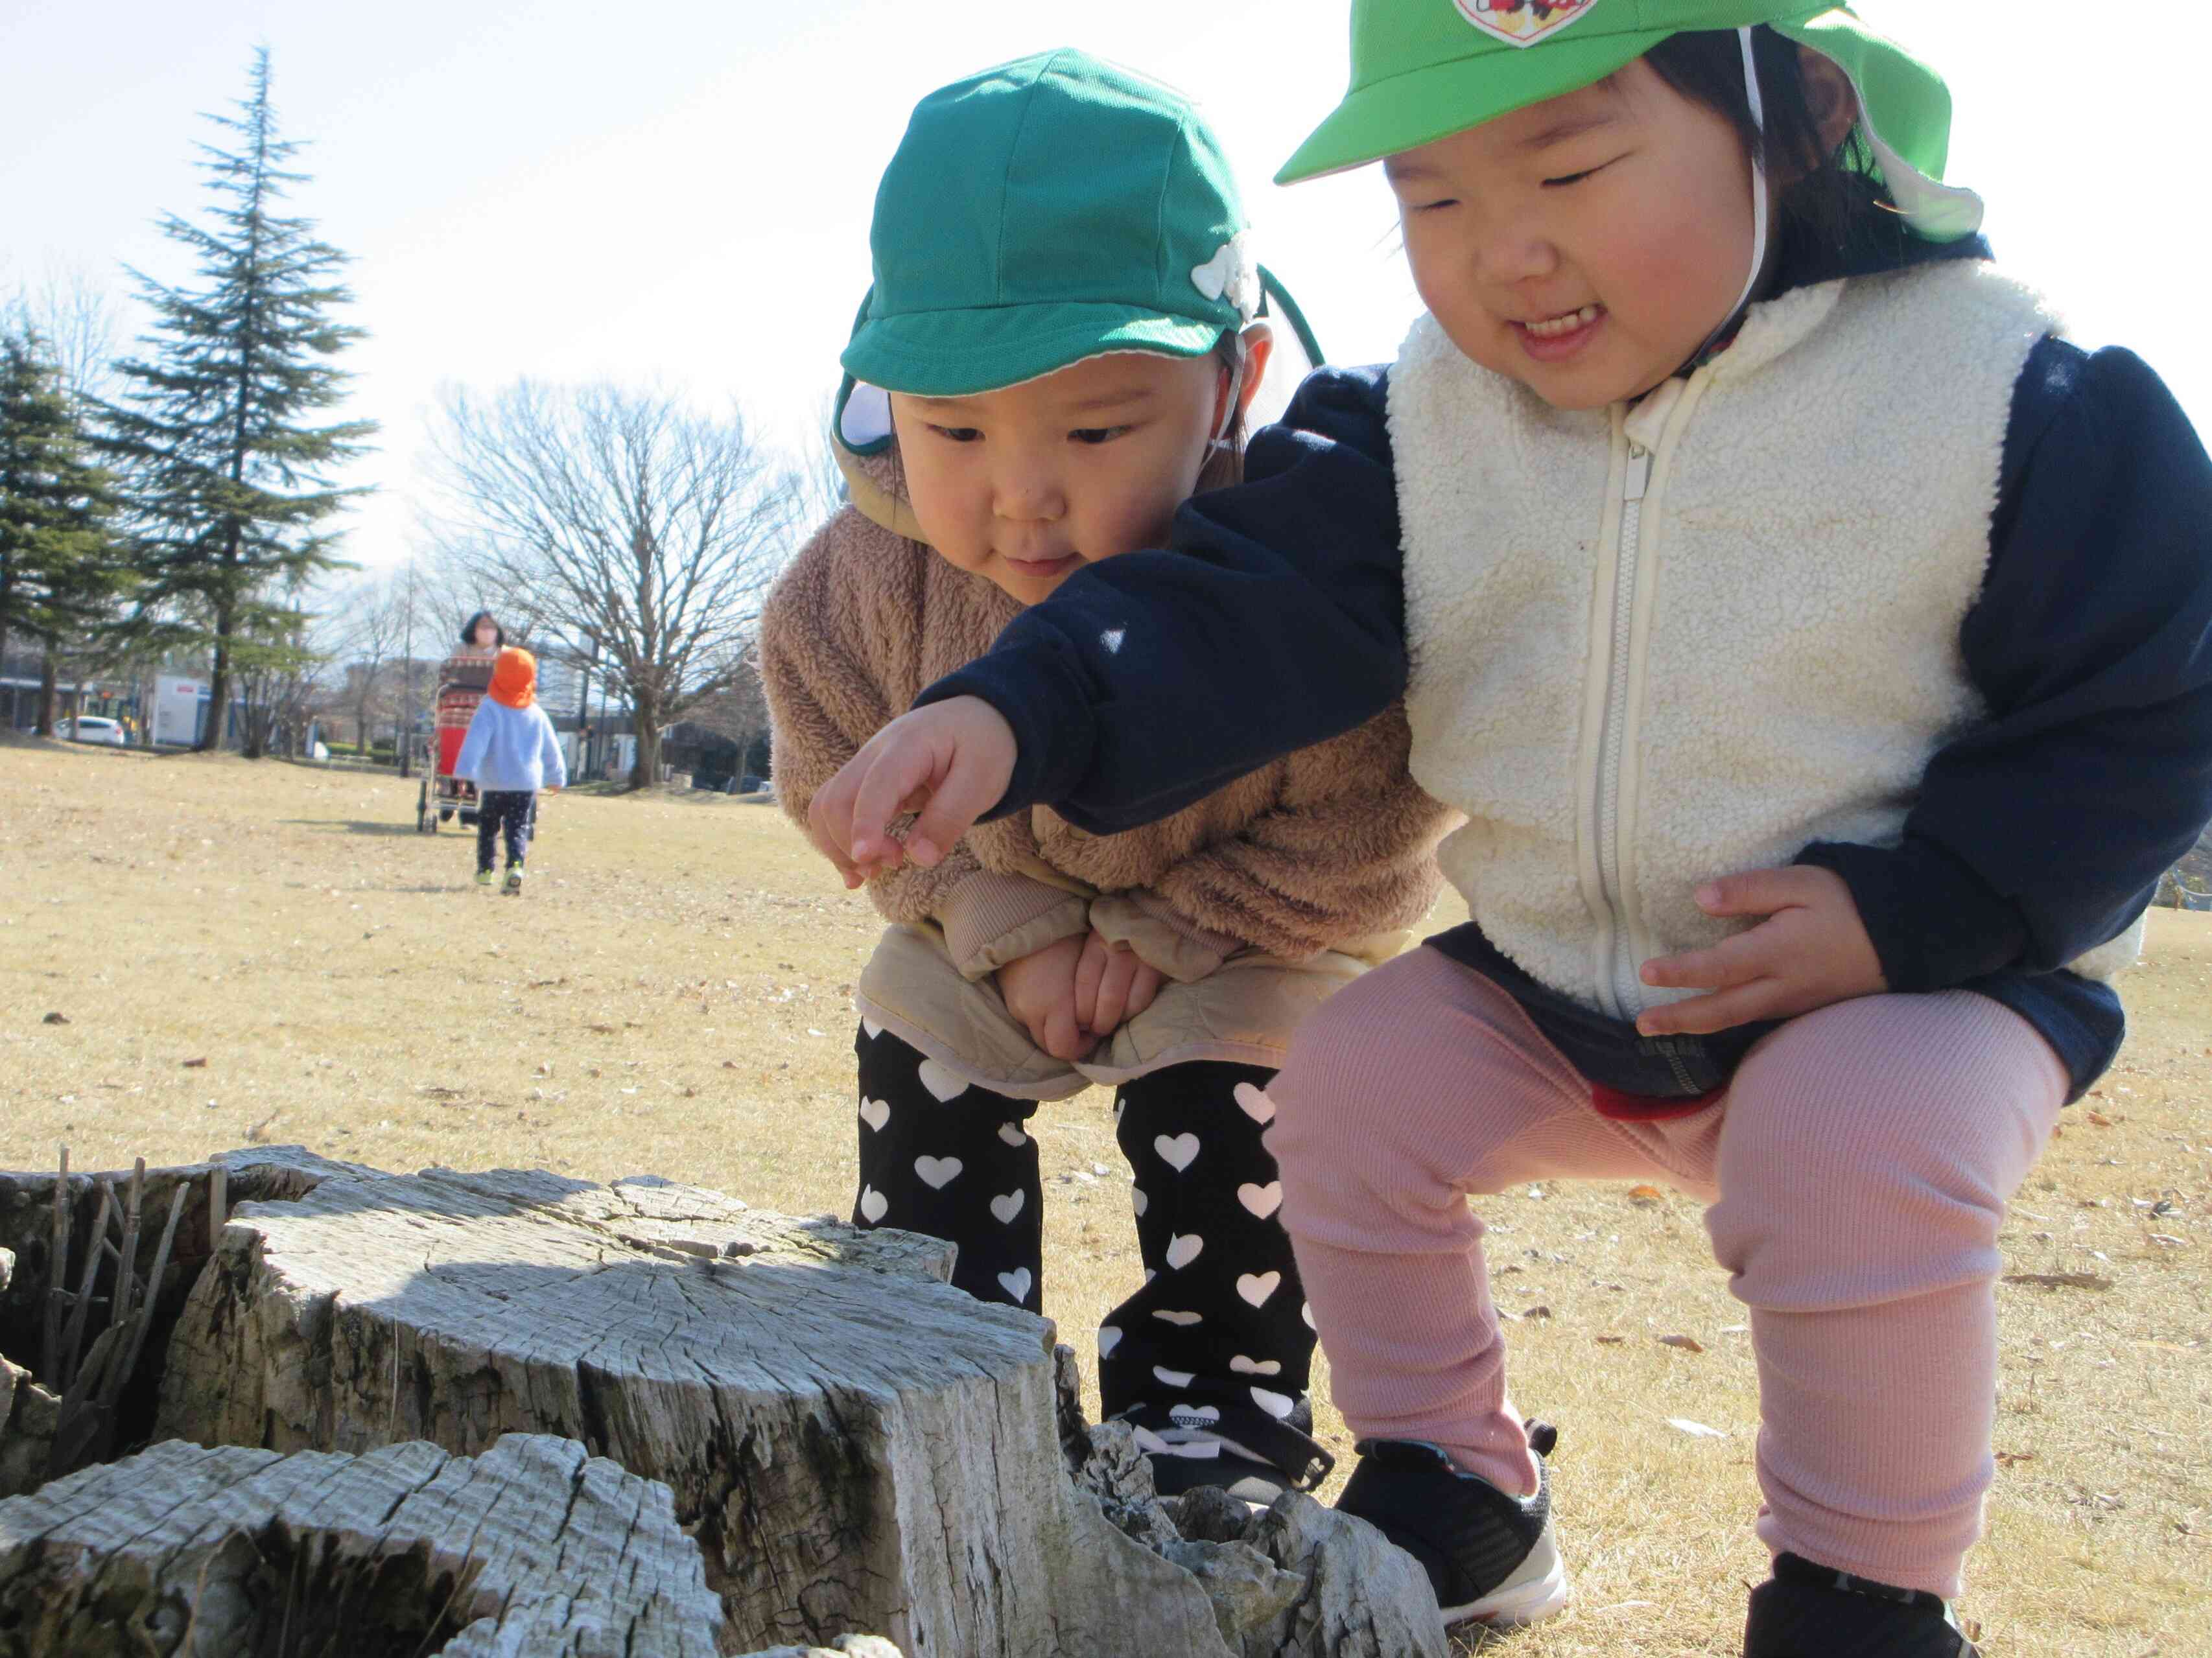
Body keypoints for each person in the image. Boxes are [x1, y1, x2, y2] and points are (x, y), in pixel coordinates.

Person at [801, 6, 2212, 1653]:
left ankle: (1859, 1591)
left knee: (1843, 1138)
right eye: (1433, 197)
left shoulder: (2001, 393)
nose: (1505, 254)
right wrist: (1022, 708)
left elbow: (2154, 691)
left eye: (1570, 164)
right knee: (1350, 1077)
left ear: (1799, 112)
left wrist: (1922, 910)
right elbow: (1235, 598)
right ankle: (1451, 1479)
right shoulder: (1421, 426)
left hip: (1917, 984)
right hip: (1562, 983)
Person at [759, 49, 1453, 1506]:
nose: (1019, 492)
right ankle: (936, 1331)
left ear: (1231, 381)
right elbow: (837, 772)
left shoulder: (1280, 569)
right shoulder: (860, 583)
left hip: (1234, 940)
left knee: (1255, 1067)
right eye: (954, 428)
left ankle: (1222, 1389)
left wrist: (1163, 939)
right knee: (912, 1009)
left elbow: (1374, 823)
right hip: (980, 928)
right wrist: (996, 929)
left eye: (1092, 428)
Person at [453, 646, 565, 894]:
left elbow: (475, 743)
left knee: (488, 826)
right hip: (525, 784)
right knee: (518, 827)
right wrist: (556, 777)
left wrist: (463, 773)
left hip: (494, 782)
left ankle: (485, 870)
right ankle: (515, 866)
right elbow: (551, 748)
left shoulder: (490, 708)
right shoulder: (536, 713)